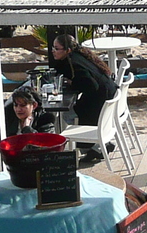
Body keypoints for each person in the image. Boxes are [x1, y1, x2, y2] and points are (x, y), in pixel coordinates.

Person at [50, 34, 117, 162]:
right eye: (53, 47)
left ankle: (92, 148)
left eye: (56, 48)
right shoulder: (80, 56)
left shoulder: (73, 63)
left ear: (67, 50)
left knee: (68, 115)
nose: (53, 50)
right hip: (109, 93)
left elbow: (91, 85)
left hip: (102, 99)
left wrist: (72, 83)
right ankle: (99, 146)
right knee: (73, 111)